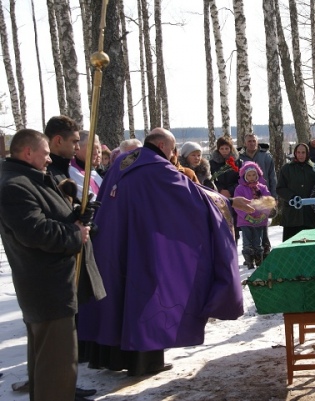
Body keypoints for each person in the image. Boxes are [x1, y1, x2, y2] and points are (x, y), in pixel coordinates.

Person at [77, 128, 245, 376]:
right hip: (141, 247)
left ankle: (111, 359)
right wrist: (228, 203)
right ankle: (144, 362)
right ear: (163, 146)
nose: (173, 154)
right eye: (172, 148)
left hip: (114, 242)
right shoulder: (158, 168)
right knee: (141, 298)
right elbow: (193, 197)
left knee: (117, 297)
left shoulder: (123, 161)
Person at [0, 129, 105, 401]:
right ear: (28, 153)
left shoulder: (30, 180)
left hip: (52, 286)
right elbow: (35, 232)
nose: (49, 160)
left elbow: (50, 216)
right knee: (56, 367)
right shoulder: (15, 186)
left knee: (51, 365)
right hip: (46, 287)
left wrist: (78, 217)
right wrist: (74, 234)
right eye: (45, 154)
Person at [238, 133, 277, 259]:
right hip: (247, 197)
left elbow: (272, 176)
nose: (251, 143)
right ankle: (250, 255)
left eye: (254, 141)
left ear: (257, 142)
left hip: (262, 196)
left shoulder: (265, 156)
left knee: (263, 228)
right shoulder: (240, 158)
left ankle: (265, 252)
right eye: (249, 141)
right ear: (245, 143)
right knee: (249, 231)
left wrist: (273, 197)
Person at [234, 161, 275, 269]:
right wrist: (246, 216)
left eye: (253, 175)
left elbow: (268, 202)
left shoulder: (262, 188)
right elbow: (237, 205)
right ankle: (249, 262)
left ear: (257, 175)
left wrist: (264, 215)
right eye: (249, 175)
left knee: (258, 242)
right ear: (245, 176)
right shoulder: (240, 189)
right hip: (245, 221)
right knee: (247, 242)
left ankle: (259, 261)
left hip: (260, 221)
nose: (251, 177)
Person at [277, 143, 315, 241]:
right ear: (295, 153)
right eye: (298, 152)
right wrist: (292, 197)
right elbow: (280, 188)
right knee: (291, 243)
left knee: (309, 244)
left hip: (309, 214)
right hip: (292, 215)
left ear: (307, 153)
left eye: (303, 152)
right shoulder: (287, 168)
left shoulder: (314, 169)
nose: (301, 155)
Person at [44, 115, 81, 183]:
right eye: (74, 142)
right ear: (59, 141)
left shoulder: (62, 169)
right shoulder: (46, 175)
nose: (78, 147)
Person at [68, 131, 103, 200]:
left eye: (98, 148)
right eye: (92, 148)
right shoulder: (72, 171)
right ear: (78, 147)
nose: (96, 152)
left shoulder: (92, 171)